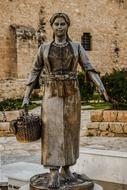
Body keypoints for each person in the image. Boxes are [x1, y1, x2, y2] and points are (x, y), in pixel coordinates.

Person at [22, 13, 109, 188]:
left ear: (67, 26)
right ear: (52, 26)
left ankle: (67, 168)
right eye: (57, 24)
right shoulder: (44, 49)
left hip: (72, 94)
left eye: (63, 24)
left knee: (70, 131)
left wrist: (101, 87)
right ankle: (53, 171)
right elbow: (34, 72)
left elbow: (89, 69)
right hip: (51, 93)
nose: (60, 27)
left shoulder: (77, 47)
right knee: (51, 131)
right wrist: (26, 96)